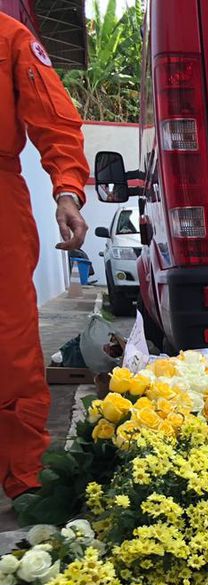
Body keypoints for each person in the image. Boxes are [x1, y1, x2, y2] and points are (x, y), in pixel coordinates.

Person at [0, 12, 89, 500]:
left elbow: (55, 123)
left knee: (10, 343)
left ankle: (24, 475)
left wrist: (67, 192)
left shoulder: (9, 37)